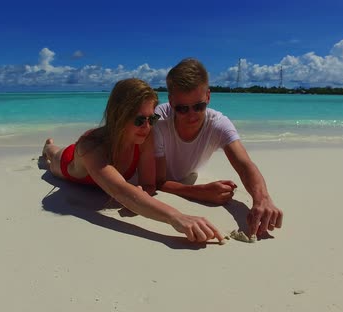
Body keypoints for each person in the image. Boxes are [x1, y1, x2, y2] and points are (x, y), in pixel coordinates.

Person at [41, 78, 224, 243]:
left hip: (95, 157)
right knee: (53, 154)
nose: (146, 126)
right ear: (119, 117)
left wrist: (141, 193)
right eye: (139, 120)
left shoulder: (145, 137)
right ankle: (47, 146)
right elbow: (121, 190)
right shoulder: (91, 146)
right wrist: (176, 217)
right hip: (68, 163)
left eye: (152, 118)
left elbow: (148, 184)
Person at [154, 58, 283, 237]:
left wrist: (262, 199)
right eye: (182, 109)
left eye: (199, 106)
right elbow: (155, 182)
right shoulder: (158, 121)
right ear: (170, 101)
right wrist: (199, 192)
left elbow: (244, 164)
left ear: (208, 96)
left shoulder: (218, 124)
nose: (191, 116)